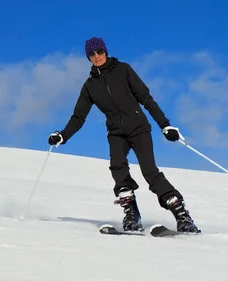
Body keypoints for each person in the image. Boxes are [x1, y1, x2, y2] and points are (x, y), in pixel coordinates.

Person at [48, 37, 200, 233]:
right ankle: (132, 215)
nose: (96, 57)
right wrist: (63, 135)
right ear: (88, 57)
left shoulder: (124, 70)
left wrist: (165, 125)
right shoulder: (89, 86)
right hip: (116, 133)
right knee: (117, 166)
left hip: (139, 128)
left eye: (99, 52)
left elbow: (146, 99)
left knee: (150, 172)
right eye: (92, 54)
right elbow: (78, 117)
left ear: (105, 51)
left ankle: (182, 215)